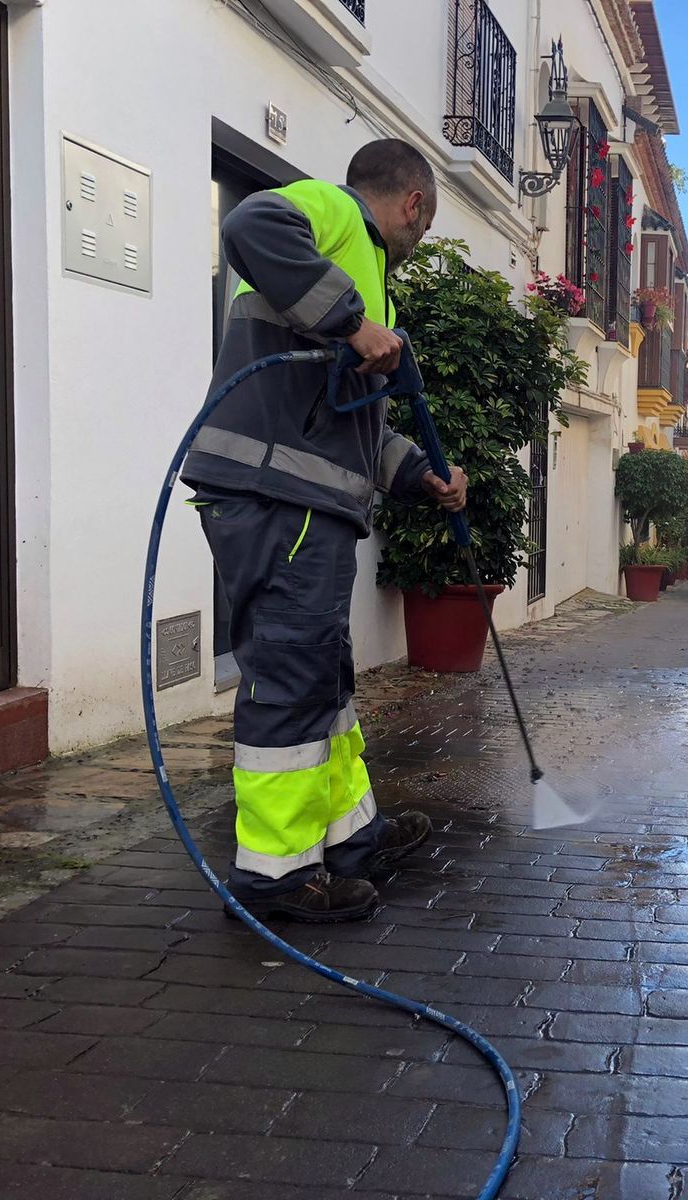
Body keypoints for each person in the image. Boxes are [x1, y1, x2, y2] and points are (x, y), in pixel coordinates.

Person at [181, 139, 467, 923]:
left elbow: (353, 425)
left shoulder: (369, 281)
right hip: (279, 499)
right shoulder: (336, 212)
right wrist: (350, 322)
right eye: (425, 226)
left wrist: (422, 475)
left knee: (324, 679)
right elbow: (249, 223)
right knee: (290, 678)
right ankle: (275, 875)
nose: (419, 239)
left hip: (305, 503)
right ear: (413, 204)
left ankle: (349, 837)